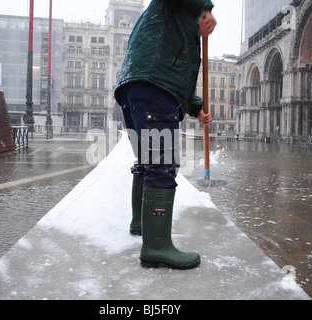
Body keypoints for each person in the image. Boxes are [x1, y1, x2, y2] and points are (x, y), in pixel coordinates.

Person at [114, 0, 216, 270]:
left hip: (137, 89)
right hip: (153, 90)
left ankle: (141, 225)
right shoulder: (176, 7)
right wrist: (203, 8)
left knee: (148, 163)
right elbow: (165, 72)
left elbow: (174, 73)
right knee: (161, 165)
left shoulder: (169, 22)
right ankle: (156, 247)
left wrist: (196, 107)